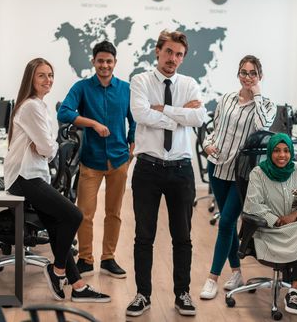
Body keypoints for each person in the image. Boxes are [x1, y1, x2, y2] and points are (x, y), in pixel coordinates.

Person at [4, 58, 110, 302]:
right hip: (24, 176)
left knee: (55, 226)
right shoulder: (31, 107)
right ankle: (56, 271)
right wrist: (46, 146)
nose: (48, 80)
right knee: (74, 215)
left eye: (50, 75)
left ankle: (79, 287)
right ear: (30, 78)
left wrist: (45, 146)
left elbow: (45, 147)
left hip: (33, 173)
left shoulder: (38, 105)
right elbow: (48, 149)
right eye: (41, 75)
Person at [126, 30, 208, 317]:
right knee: (143, 236)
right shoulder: (140, 80)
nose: (173, 59)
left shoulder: (189, 83)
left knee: (182, 237)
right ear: (158, 52)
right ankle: (142, 295)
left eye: (179, 54)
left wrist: (162, 110)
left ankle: (182, 293)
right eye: (169, 52)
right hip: (148, 168)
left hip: (181, 170)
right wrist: (177, 117)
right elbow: (140, 114)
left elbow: (199, 117)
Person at [199, 55, 276, 300]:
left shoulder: (266, 106)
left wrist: (258, 94)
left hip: (241, 175)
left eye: (253, 73)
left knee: (225, 222)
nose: (247, 77)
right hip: (217, 167)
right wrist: (207, 144)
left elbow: (263, 126)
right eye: (243, 72)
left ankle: (212, 278)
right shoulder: (227, 99)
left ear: (260, 77)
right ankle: (236, 273)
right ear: (238, 74)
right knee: (228, 224)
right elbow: (215, 129)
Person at [57, 40, 135, 278]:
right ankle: (86, 259)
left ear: (115, 63)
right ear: (93, 61)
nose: (104, 65)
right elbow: (64, 112)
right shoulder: (81, 88)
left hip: (119, 160)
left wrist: (132, 145)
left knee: (114, 212)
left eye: (109, 61)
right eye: (100, 61)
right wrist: (91, 123)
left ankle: (109, 258)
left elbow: (135, 120)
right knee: (84, 213)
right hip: (90, 161)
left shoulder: (125, 89)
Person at [243, 133, 297, 317]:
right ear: (269, 152)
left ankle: (293, 295)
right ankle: (295, 297)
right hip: (267, 231)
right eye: (276, 151)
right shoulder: (258, 173)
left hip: (292, 229)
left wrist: (296, 214)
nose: (282, 155)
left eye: (286, 150)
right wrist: (277, 220)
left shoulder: (296, 171)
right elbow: (252, 205)